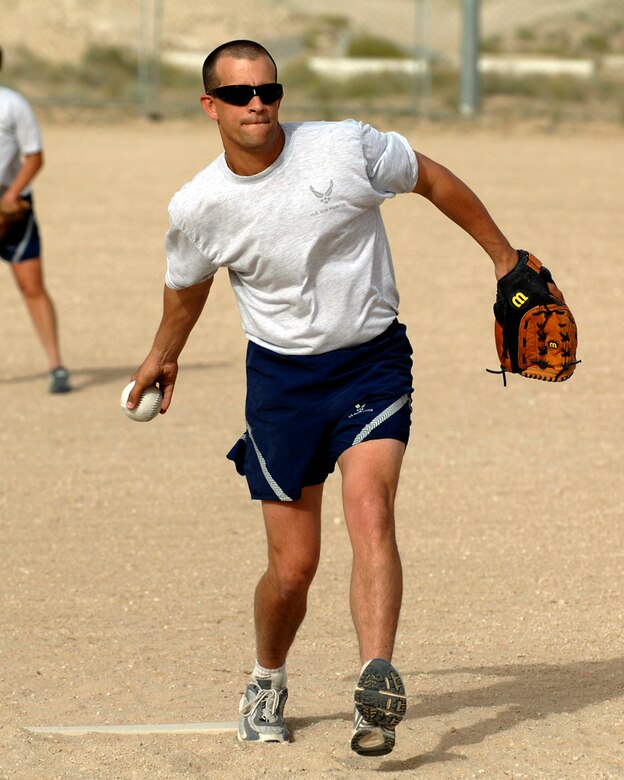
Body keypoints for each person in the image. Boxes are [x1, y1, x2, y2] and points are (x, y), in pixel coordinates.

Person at [127, 39, 519, 756]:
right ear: (209, 105)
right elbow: (187, 290)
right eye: (241, 95)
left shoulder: (345, 148)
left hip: (372, 361)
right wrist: (162, 356)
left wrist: (505, 257)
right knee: (293, 567)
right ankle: (267, 676)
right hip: (282, 382)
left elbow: (430, 178)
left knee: (372, 509)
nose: (258, 106)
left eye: (269, 92)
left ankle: (376, 681)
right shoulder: (201, 205)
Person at [0, 46, 70, 393]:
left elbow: (34, 157)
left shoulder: (12, 105)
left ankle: (56, 365)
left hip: (10, 207)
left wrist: (12, 194)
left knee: (31, 285)